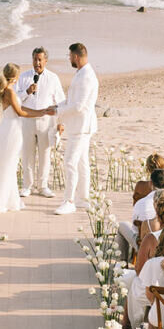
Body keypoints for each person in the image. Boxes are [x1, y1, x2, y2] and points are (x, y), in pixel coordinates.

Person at [0, 64, 55, 214]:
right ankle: (1, 199)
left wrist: (41, 111)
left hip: (9, 128)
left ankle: (8, 197)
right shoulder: (9, 91)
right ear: (15, 76)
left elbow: (19, 108)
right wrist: (41, 113)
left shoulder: (9, 91)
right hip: (12, 131)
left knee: (9, 164)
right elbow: (20, 112)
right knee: (8, 164)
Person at [55, 43, 99, 215]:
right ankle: (83, 199)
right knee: (81, 163)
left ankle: (69, 200)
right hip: (80, 125)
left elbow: (79, 106)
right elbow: (72, 100)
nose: (69, 59)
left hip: (81, 126)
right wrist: (56, 107)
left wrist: (58, 111)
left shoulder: (87, 76)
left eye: (69, 56)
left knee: (70, 162)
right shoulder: (82, 73)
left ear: (76, 56)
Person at [16, 47, 65, 199]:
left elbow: (61, 101)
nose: (37, 63)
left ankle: (43, 186)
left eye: (40, 60)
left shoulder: (53, 78)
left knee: (45, 153)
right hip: (27, 119)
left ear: (45, 61)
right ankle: (27, 186)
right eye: (35, 59)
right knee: (28, 154)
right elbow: (15, 99)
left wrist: (60, 122)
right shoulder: (24, 77)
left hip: (46, 120)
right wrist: (27, 92)